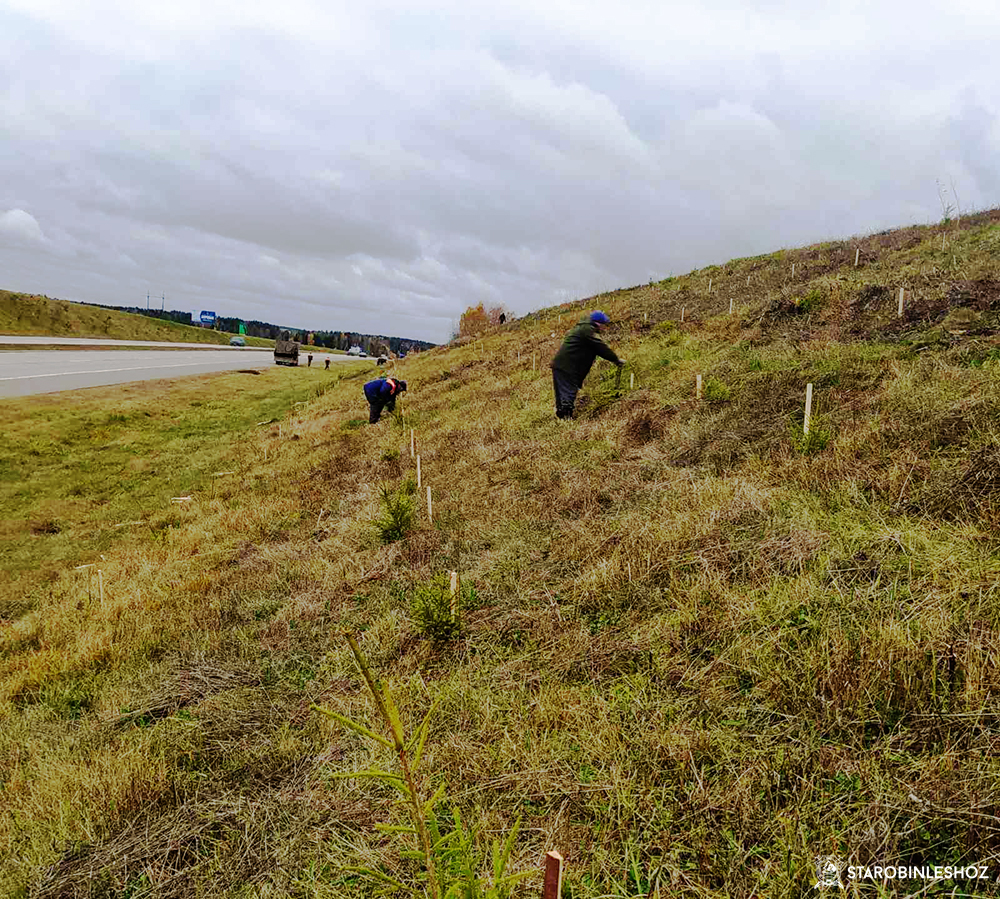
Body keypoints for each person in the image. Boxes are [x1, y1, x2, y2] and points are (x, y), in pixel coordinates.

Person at [550, 311, 624, 419]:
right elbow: (600, 347)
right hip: (567, 367)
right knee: (568, 393)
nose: (605, 328)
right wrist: (616, 359)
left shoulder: (583, 328)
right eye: (605, 325)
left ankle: (563, 417)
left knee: (562, 395)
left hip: (563, 365)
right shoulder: (587, 330)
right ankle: (567, 419)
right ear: (599, 323)